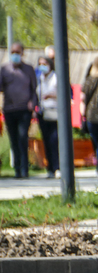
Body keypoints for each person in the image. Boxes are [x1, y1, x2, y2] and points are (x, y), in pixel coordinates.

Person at [0, 43, 37, 179]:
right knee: (14, 140)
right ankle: (17, 169)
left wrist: (32, 104)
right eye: (13, 52)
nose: (15, 54)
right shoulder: (4, 69)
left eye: (17, 52)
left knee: (23, 138)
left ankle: (24, 169)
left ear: (22, 53)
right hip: (9, 110)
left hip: (24, 110)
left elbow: (34, 90)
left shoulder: (29, 69)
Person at [36, 56, 59, 178]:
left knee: (55, 140)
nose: (42, 66)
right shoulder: (39, 78)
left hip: (54, 112)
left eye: (44, 63)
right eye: (40, 64)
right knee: (46, 141)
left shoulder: (56, 77)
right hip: (43, 112)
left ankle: (57, 167)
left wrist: (52, 95)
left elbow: (64, 92)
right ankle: (50, 168)